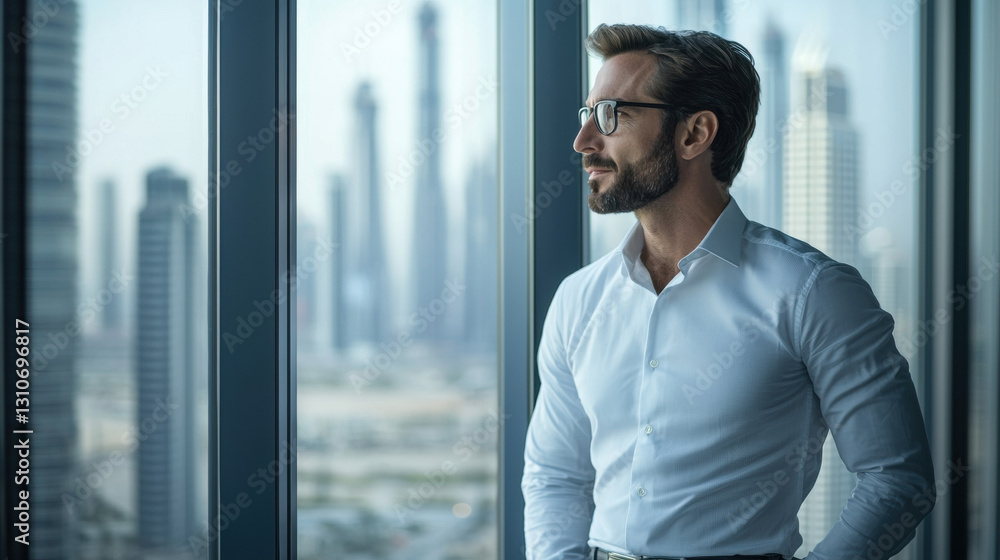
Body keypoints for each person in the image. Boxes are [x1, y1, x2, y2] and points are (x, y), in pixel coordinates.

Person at [521, 23, 935, 560]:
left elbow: (897, 478)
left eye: (611, 115)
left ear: (695, 133)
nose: (584, 142)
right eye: (586, 114)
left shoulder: (813, 293)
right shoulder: (578, 300)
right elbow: (555, 474)